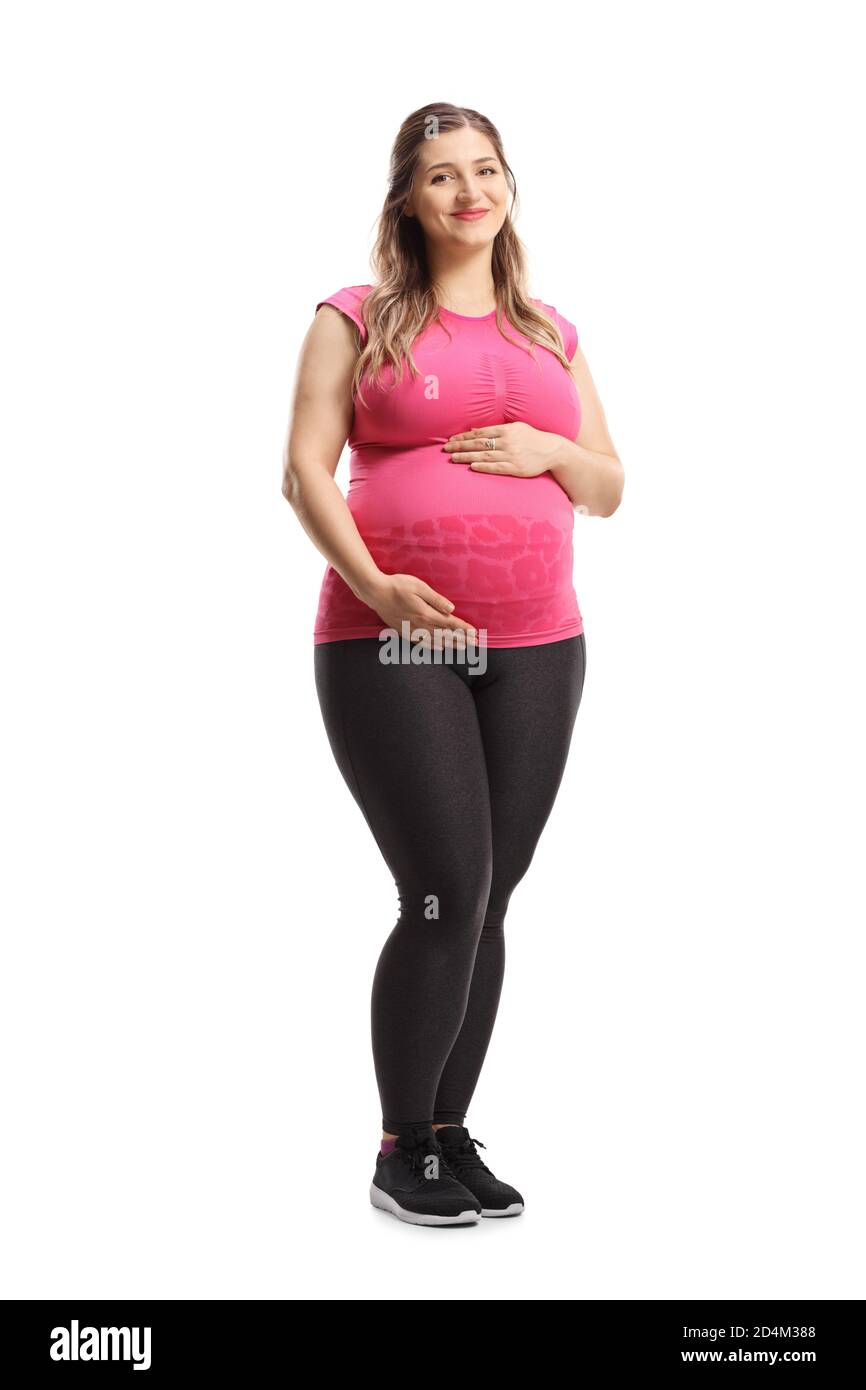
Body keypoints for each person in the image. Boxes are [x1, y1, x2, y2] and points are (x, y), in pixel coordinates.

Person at [282, 103, 623, 1227]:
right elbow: (303, 473)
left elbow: (608, 485)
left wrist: (552, 450)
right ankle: (396, 1147)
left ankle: (443, 1131)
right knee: (443, 892)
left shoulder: (550, 331)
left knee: (490, 898)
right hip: (397, 635)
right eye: (440, 177)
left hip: (536, 640)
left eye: (484, 170)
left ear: (506, 186)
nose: (468, 191)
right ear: (407, 200)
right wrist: (378, 586)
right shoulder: (358, 315)